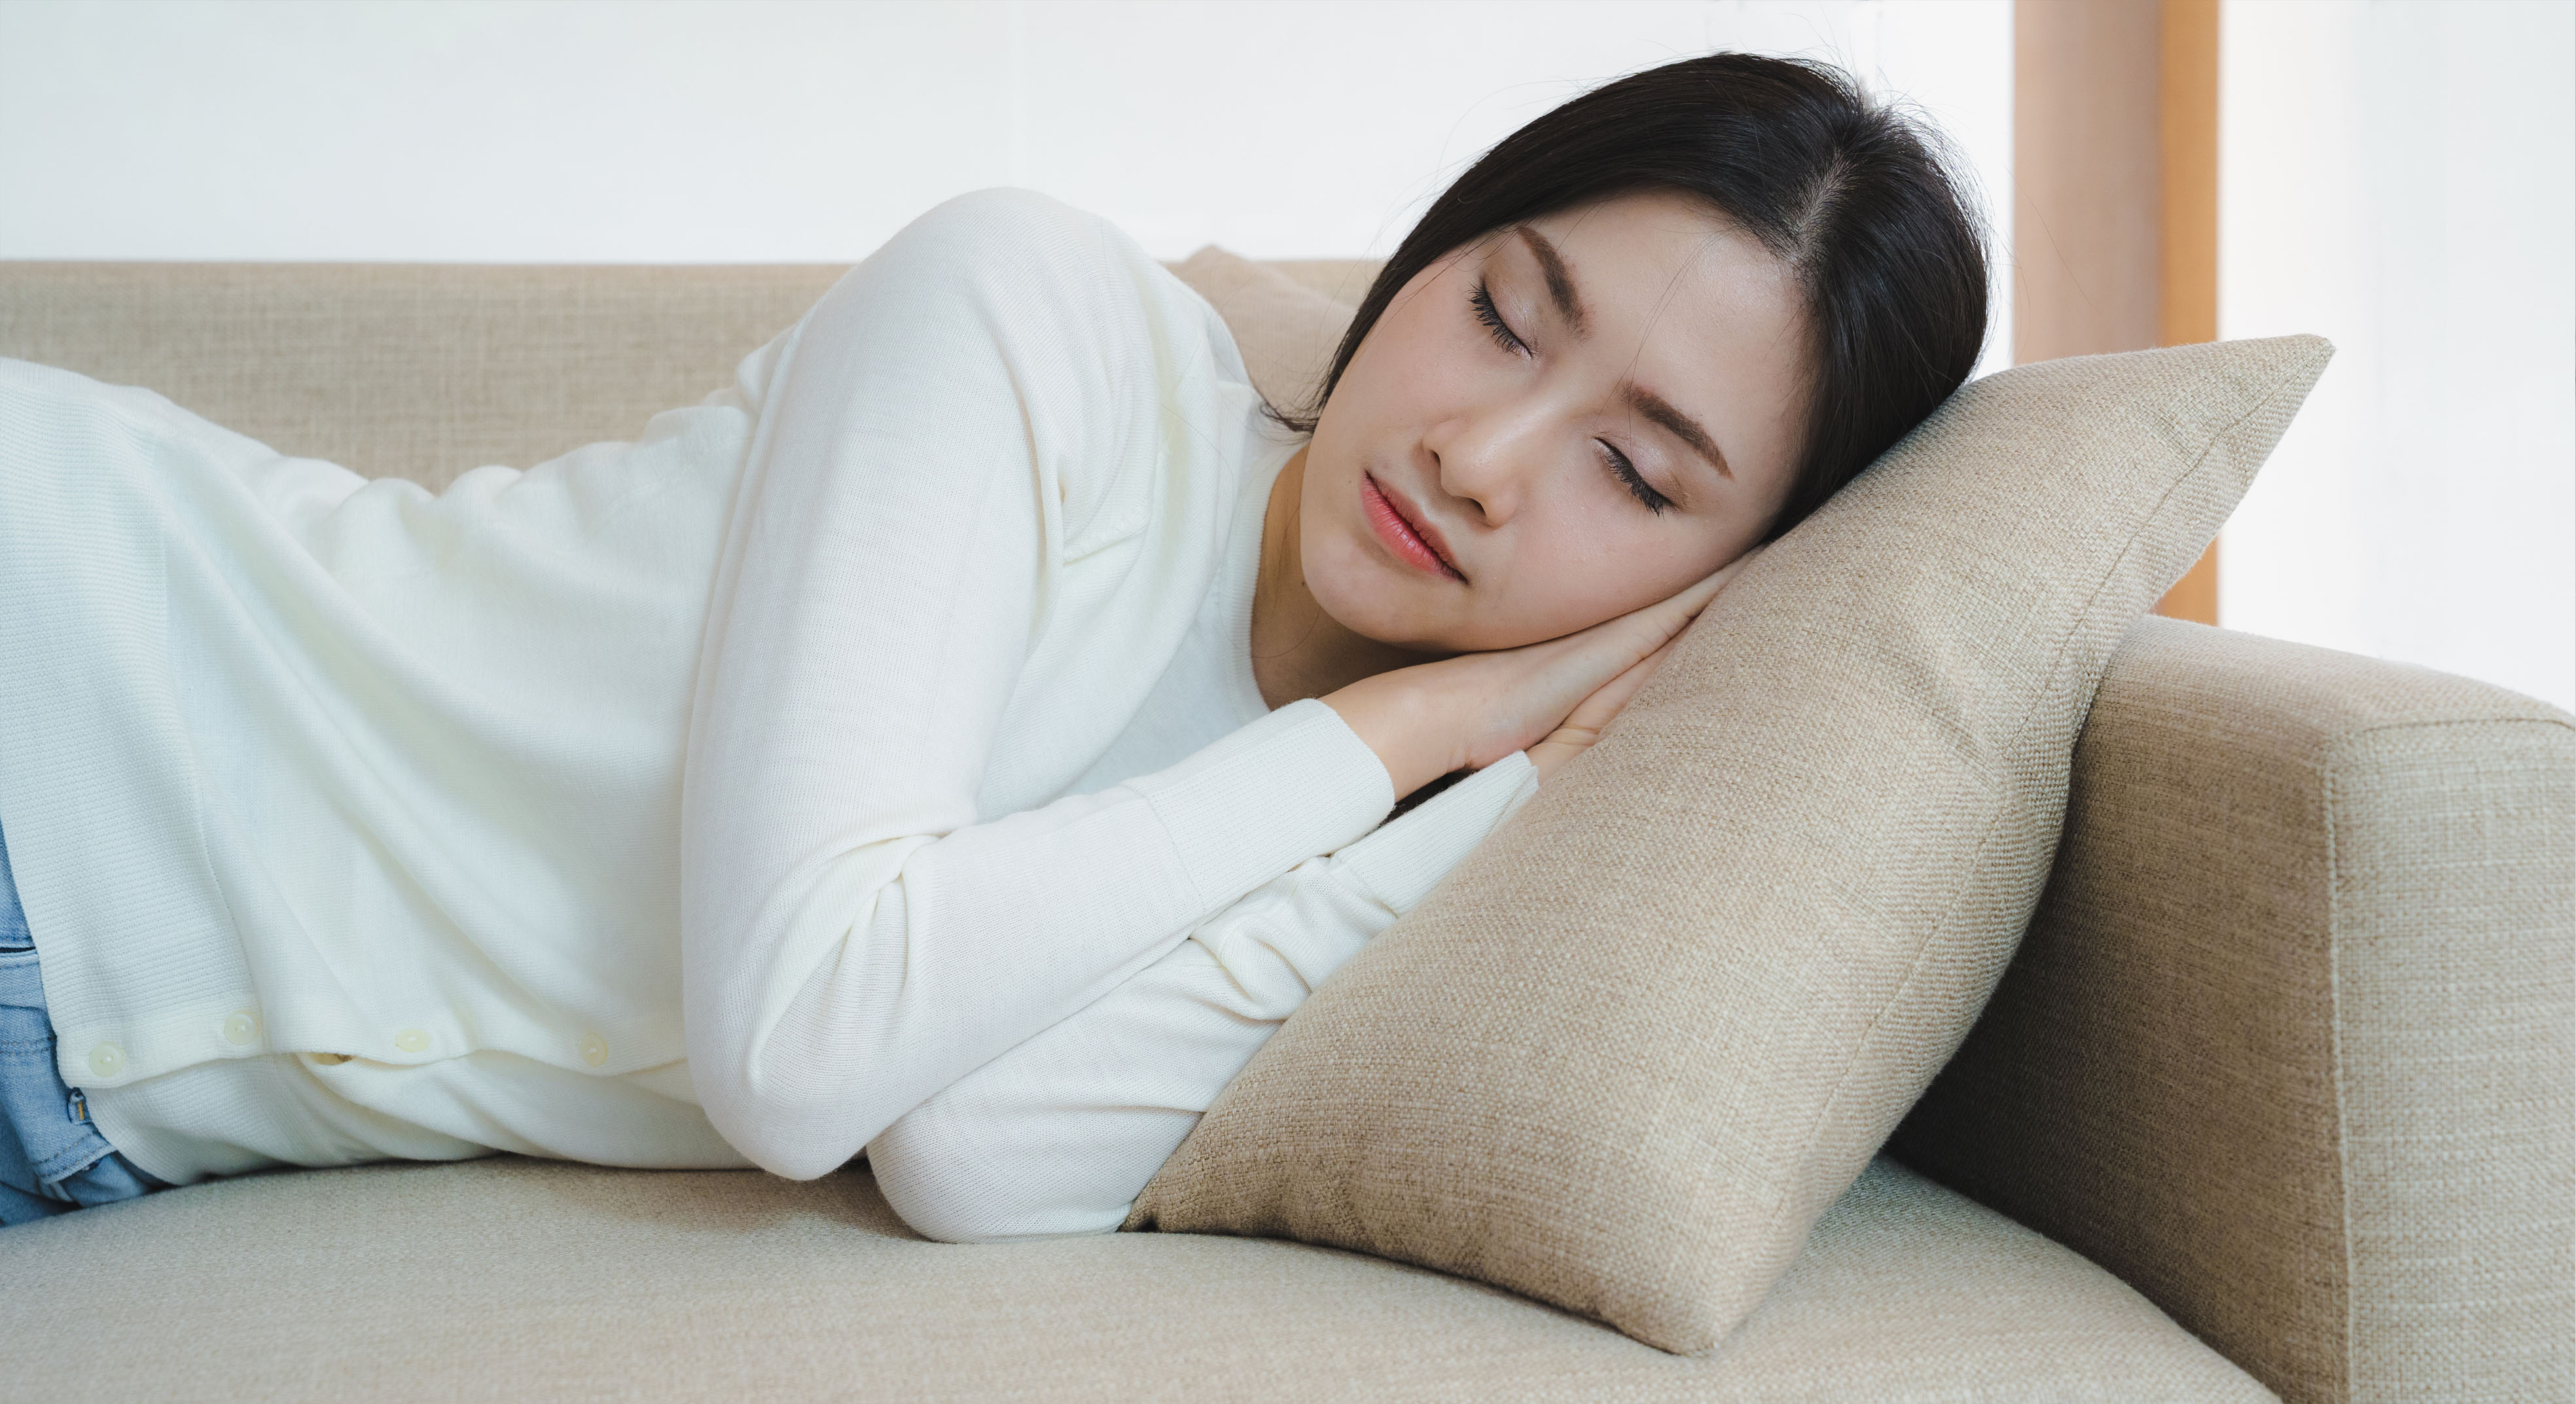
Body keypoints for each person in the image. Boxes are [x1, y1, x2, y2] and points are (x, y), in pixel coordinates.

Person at [0, 52, 1988, 1236]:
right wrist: (1409, 729)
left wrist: (1483, 777)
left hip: (79, 1095)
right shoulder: (1038, 327)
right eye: (1501, 312)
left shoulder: (1402, 840)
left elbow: (972, 1154)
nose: (1480, 458)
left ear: (1725, 579)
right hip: (64, 695)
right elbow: (800, 1054)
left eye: (1633, 476)